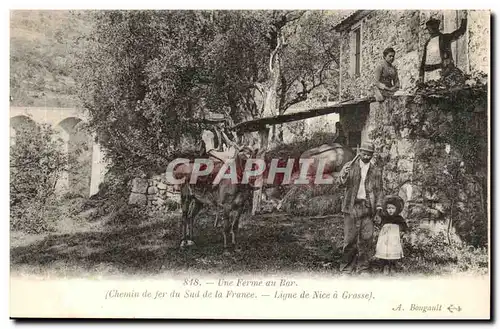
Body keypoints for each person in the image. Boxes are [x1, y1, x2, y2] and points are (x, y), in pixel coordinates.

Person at [338, 141, 384, 275]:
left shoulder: (375, 170)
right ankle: (346, 269)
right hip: (351, 207)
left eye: (369, 154)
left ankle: (363, 268)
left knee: (366, 240)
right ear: (359, 152)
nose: (366, 155)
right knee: (350, 240)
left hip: (368, 207)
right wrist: (343, 176)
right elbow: (340, 185)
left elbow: (379, 191)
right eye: (364, 152)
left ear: (372, 155)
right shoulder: (349, 166)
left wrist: (379, 209)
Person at [418, 14, 468, 84]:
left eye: (432, 28)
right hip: (428, 74)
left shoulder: (444, 38)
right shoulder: (428, 42)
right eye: (429, 28)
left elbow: (460, 32)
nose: (430, 30)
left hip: (440, 72)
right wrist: (421, 75)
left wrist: (464, 18)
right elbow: (424, 60)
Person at [374, 195, 409, 275]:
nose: (390, 210)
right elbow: (378, 222)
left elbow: (404, 225)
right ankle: (385, 265)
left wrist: (403, 232)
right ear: (386, 209)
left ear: (396, 209)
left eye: (393, 208)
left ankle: (392, 265)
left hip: (394, 238)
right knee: (384, 249)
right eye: (389, 208)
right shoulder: (384, 217)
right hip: (385, 237)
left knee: (393, 250)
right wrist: (378, 212)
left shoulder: (399, 218)